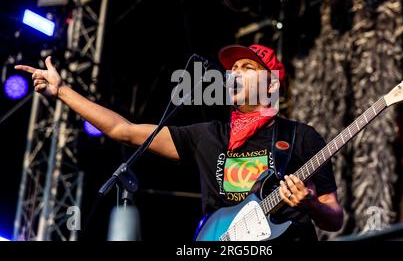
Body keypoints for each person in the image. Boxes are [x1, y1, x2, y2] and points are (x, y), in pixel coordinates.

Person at [16, 43, 343, 242]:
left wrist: (311, 204)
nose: (234, 73)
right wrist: (62, 92)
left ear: (272, 83)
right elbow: (123, 130)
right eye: (232, 69)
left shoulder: (300, 137)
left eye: (247, 67)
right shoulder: (209, 136)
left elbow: (334, 216)